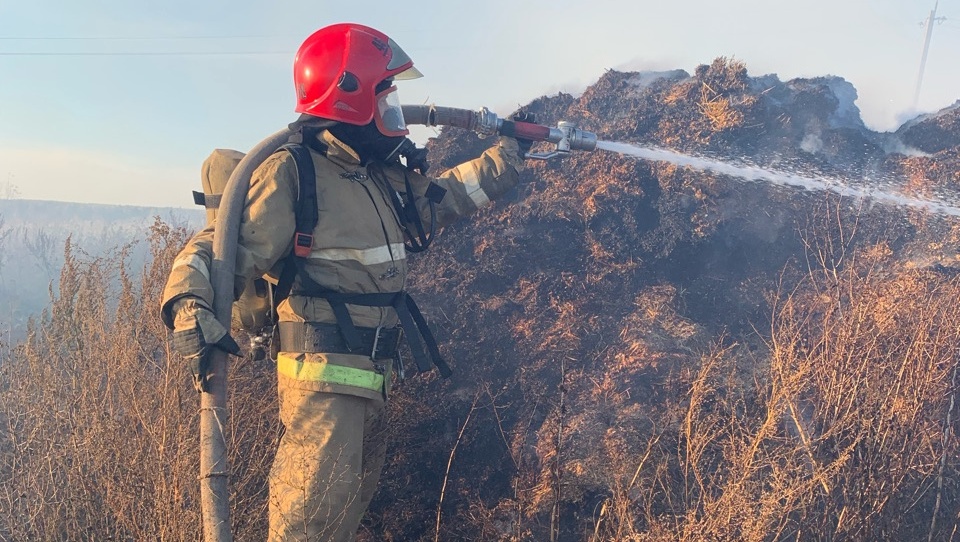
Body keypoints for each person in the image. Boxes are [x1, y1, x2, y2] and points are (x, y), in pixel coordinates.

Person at [160, 22, 531, 541]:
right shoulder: (293, 171)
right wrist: (187, 302)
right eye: (386, 97)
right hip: (323, 387)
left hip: (372, 379)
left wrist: (510, 155)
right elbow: (223, 248)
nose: (395, 112)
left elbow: (442, 199)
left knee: (345, 518)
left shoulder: (373, 174)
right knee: (307, 527)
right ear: (348, 97)